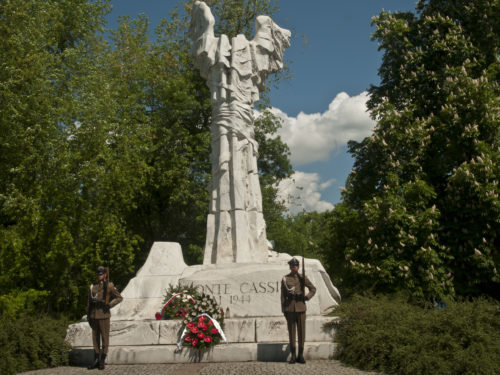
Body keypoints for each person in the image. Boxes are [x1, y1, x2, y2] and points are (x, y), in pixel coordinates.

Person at [281, 257, 316, 364]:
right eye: (292, 266)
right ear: (290, 267)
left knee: (301, 332)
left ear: (298, 267)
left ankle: (300, 355)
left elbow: (313, 289)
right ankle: (293, 355)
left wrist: (306, 297)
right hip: (290, 309)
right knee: (292, 333)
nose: (294, 267)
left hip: (301, 308)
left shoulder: (302, 277)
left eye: (295, 266)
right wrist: (284, 310)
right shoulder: (285, 279)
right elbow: (282, 296)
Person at [87, 266, 123, 370]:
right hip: (94, 315)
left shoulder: (109, 285)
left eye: (101, 274)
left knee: (104, 338)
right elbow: (89, 302)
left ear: (105, 274)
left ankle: (102, 359)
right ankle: (96, 359)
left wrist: (109, 305)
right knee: (95, 339)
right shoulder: (93, 287)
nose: (99, 276)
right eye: (98, 274)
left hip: (104, 315)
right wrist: (89, 315)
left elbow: (119, 298)